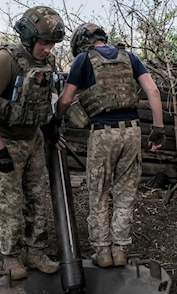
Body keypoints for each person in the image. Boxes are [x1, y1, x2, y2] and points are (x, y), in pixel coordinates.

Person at [56, 23, 166, 267]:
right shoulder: (130, 57)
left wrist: (55, 118)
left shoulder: (83, 60)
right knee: (125, 194)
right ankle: (120, 250)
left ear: (80, 42)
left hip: (103, 134)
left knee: (99, 194)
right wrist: (158, 129)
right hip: (133, 132)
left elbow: (65, 99)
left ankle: (102, 252)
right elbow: (153, 91)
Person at [0, 6, 65, 280]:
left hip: (33, 140)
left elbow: (44, 99)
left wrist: (48, 126)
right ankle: (11, 257)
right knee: (11, 204)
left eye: (51, 44)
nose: (47, 49)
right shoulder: (6, 61)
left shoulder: (47, 63)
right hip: (6, 141)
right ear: (27, 36)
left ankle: (34, 251)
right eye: (43, 42)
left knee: (37, 201)